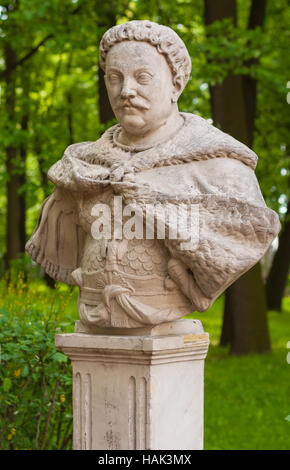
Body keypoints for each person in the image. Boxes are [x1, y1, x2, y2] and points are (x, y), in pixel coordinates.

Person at [26, 20, 280, 329]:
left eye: (142, 77)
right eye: (114, 78)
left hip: (164, 315)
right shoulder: (82, 168)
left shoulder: (222, 170)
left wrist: (153, 202)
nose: (126, 91)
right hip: (94, 320)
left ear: (176, 84)